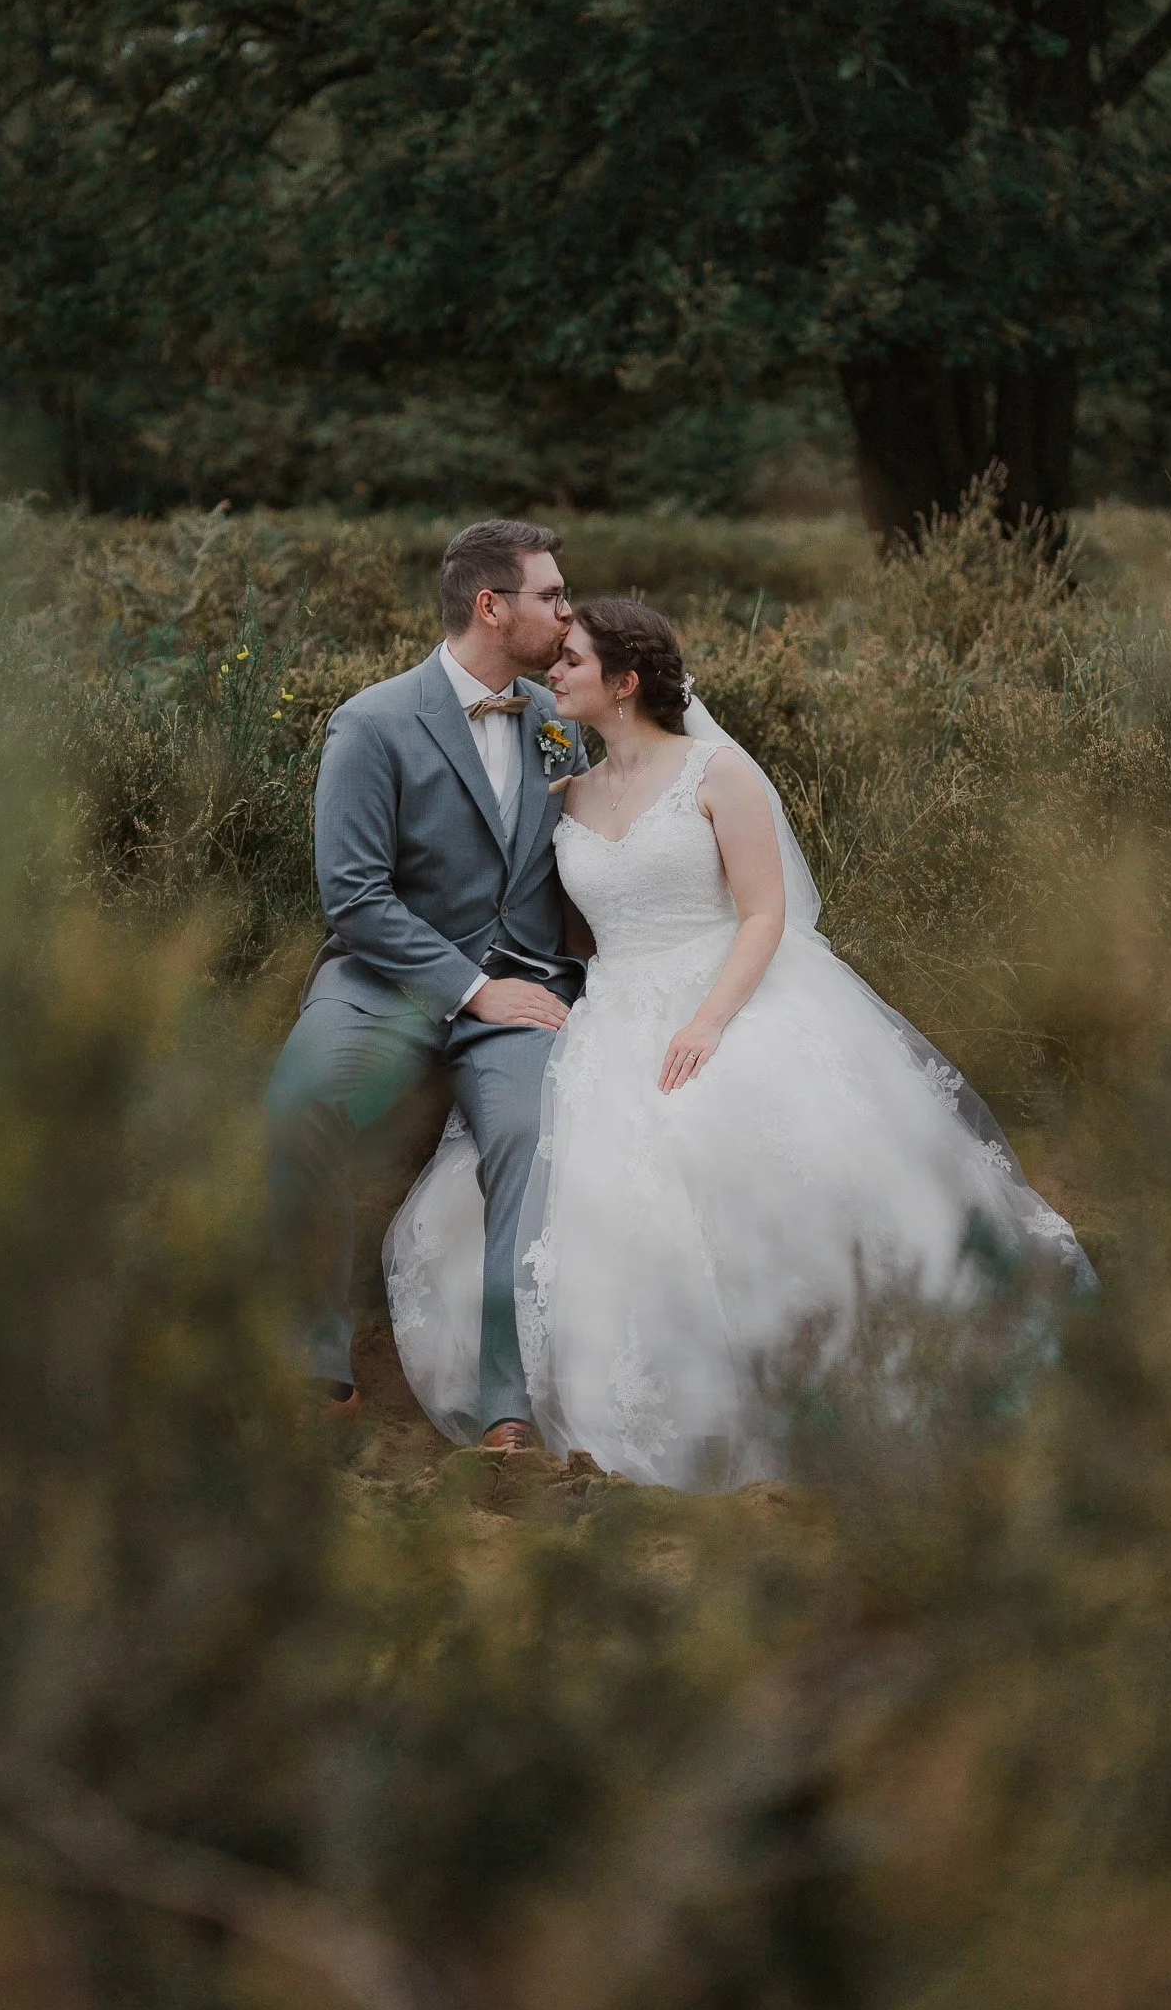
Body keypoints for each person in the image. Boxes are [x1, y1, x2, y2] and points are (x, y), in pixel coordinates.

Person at [385, 600, 1092, 1489]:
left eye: (568, 661)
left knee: (754, 1156)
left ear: (625, 680)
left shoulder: (716, 774)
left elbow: (765, 914)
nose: (550, 674)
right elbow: (566, 935)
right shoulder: (565, 797)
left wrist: (709, 1020)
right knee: (596, 1194)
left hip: (729, 996)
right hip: (612, 1015)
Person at [265, 519, 587, 1446]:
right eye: (551, 595)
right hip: (387, 983)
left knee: (533, 1134)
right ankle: (317, 1374)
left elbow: (584, 860)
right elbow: (353, 895)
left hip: (526, 991)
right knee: (301, 1104)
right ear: (491, 606)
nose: (566, 610)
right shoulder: (369, 724)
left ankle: (506, 1409)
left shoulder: (560, 724)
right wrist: (468, 988)